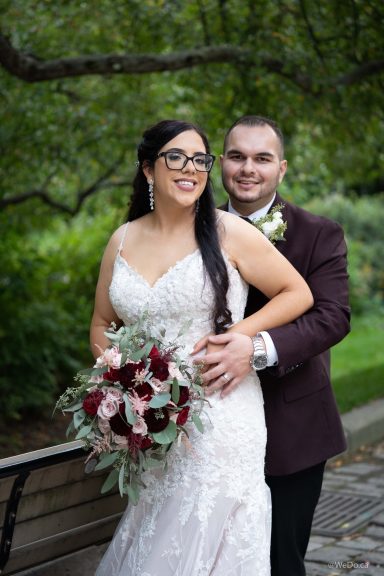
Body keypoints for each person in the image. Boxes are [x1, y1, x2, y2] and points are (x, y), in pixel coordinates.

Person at [91, 119, 313, 576]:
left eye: (199, 159)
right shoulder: (122, 239)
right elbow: (101, 323)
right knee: (155, 531)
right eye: (176, 157)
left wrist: (241, 335)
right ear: (149, 169)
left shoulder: (228, 231)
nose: (190, 167)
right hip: (151, 423)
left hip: (222, 413)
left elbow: (298, 293)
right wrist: (119, 380)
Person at [193, 115, 350, 576]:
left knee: (280, 561)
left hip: (293, 426)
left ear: (281, 169)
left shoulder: (319, 233)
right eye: (237, 156)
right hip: (209, 425)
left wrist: (256, 348)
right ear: (221, 164)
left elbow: (332, 316)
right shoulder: (189, 229)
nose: (248, 168)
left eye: (262, 158)